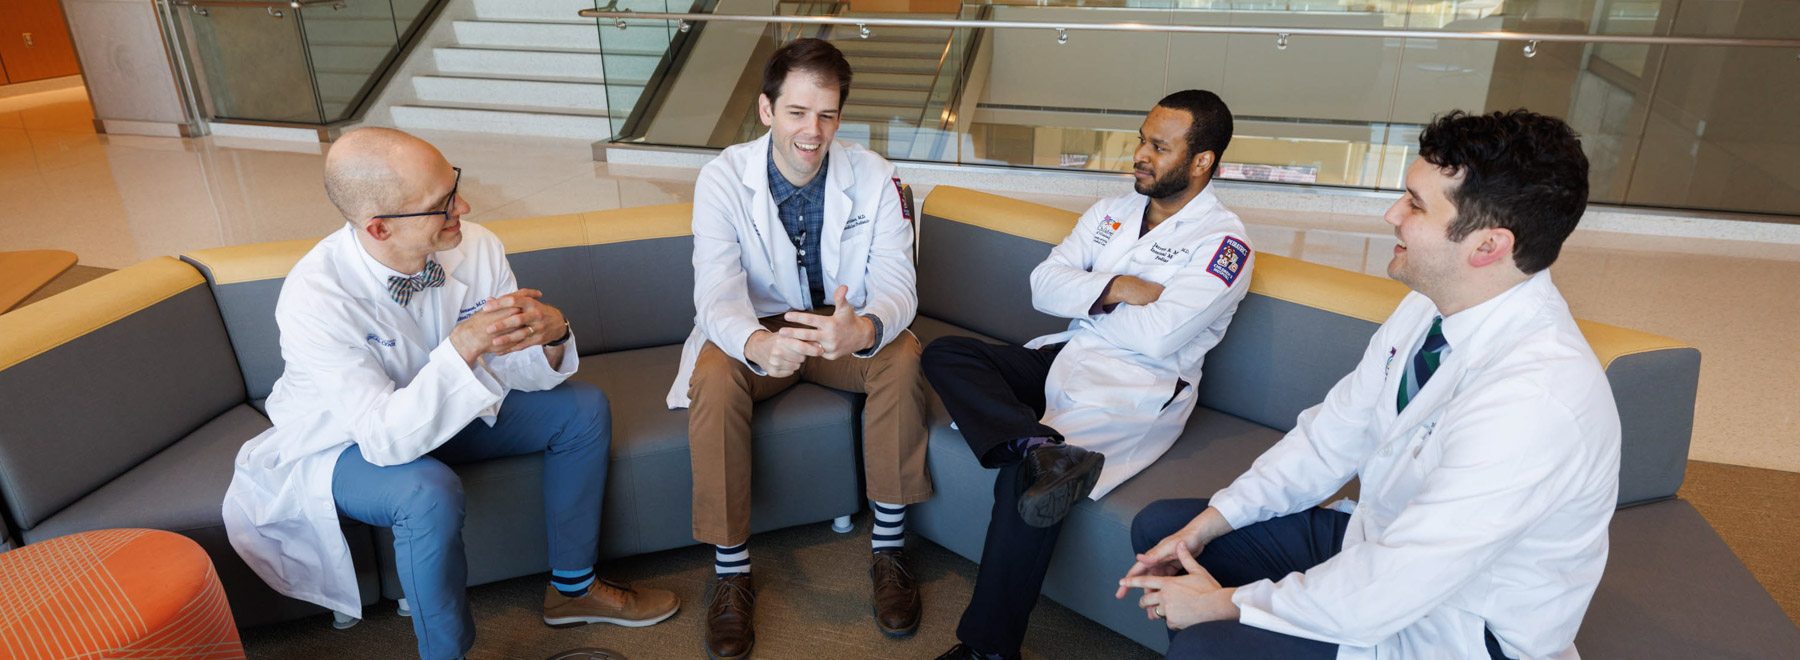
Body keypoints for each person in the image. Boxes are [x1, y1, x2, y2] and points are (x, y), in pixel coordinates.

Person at [1119, 109, 1619, 660]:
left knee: (1209, 644)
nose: (1391, 214)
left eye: (1415, 204)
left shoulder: (1535, 398)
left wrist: (1221, 605)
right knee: (1169, 530)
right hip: (1380, 546)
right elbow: (1331, 437)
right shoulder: (1428, 307)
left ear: (1488, 246)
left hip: (1456, 625)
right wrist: (1207, 526)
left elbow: (1399, 581)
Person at [222, 128, 678, 660]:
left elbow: (515, 368)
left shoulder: (476, 245)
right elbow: (384, 439)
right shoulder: (315, 296)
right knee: (426, 491)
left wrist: (552, 334)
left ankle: (573, 589)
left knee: (582, 410)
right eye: (441, 204)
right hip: (346, 442)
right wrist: (461, 347)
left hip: (448, 413)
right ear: (379, 227)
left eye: (453, 185)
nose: (464, 205)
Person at [923, 90, 1253, 660]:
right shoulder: (1109, 212)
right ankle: (1033, 442)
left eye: (1158, 146)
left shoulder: (1225, 244)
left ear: (1202, 162)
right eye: (1141, 139)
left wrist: (1089, 298)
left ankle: (988, 651)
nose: (1139, 154)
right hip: (1066, 353)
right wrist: (1120, 287)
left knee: (1026, 481)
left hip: (1137, 387)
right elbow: (1042, 286)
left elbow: (1159, 337)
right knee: (948, 353)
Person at [668, 38, 929, 659]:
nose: (813, 131)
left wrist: (862, 331)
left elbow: (899, 285)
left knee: (903, 357)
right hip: (760, 327)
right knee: (715, 373)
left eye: (828, 114)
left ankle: (888, 553)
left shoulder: (877, 176)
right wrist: (756, 341)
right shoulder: (723, 178)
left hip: (842, 328)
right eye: (797, 112)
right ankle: (731, 575)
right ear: (766, 110)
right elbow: (715, 293)